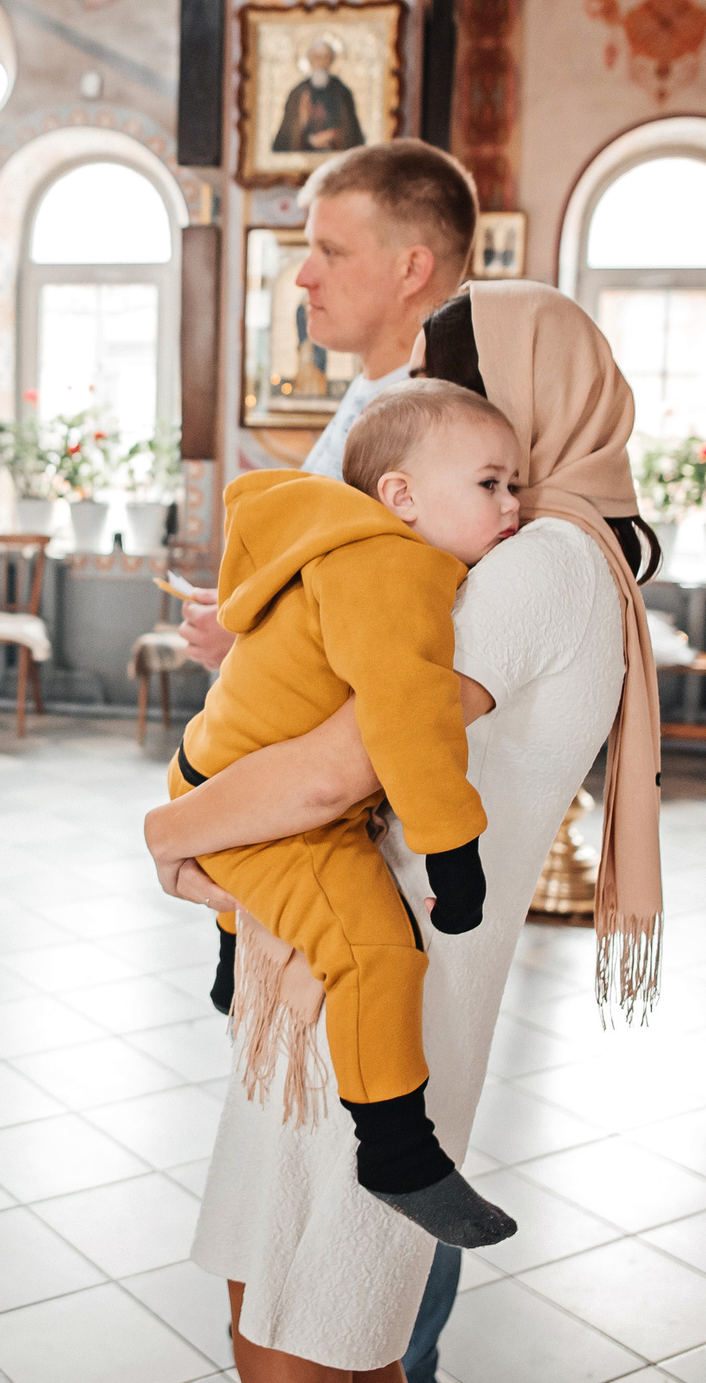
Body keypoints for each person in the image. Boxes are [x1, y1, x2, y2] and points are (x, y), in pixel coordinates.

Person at [156, 279, 661, 1381]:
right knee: (293, 1317)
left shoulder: (542, 561)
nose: (426, 402)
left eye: (451, 383)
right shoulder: (551, 556)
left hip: (382, 984)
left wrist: (172, 827)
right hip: (330, 960)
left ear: (521, 394)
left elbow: (343, 762)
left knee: (305, 1338)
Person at [170, 140, 513, 1380]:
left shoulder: (452, 431)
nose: (301, 273)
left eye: (327, 246)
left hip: (347, 823)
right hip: (279, 814)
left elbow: (405, 669)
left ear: (412, 264)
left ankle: (385, 1355)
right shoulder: (375, 414)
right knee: (293, 1156)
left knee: (375, 1142)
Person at [169, 381, 527, 1250]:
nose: (514, 503)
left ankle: (231, 957)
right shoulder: (389, 570)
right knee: (377, 953)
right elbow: (410, 721)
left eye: (516, 484)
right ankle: (398, 1153)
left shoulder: (346, 542)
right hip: (262, 810)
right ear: (401, 495)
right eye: (489, 483)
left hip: (221, 769)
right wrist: (454, 854)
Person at [272, 39, 365, 155]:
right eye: (316, 57)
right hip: (303, 158)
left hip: (335, 157)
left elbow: (352, 132)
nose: (320, 61)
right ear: (310, 60)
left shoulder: (342, 92)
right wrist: (302, 123)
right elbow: (285, 138)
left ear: (331, 60)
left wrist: (332, 135)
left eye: (325, 56)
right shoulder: (297, 93)